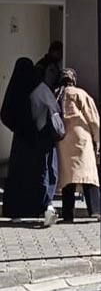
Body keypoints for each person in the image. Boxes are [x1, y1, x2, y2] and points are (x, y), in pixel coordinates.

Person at [0, 58, 59, 226]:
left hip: (21, 140)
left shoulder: (14, 89)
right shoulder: (39, 87)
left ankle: (16, 211)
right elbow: (54, 108)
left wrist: (19, 126)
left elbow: (5, 114)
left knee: (19, 176)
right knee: (43, 173)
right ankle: (44, 208)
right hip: (41, 140)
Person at [55, 69, 100, 223]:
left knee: (68, 178)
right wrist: (97, 138)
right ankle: (95, 211)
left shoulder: (57, 94)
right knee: (88, 175)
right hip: (81, 138)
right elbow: (93, 118)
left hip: (63, 140)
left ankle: (68, 214)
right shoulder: (80, 94)